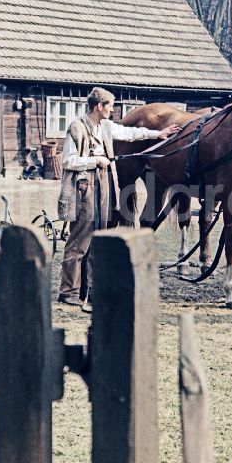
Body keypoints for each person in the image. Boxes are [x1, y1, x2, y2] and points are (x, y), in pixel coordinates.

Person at [57, 87, 179, 308]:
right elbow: (67, 160)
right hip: (83, 187)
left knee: (99, 238)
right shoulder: (77, 127)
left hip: (104, 186)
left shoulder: (105, 126)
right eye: (110, 106)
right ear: (98, 106)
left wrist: (157, 134)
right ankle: (68, 291)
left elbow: (131, 133)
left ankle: (93, 289)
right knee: (79, 240)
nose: (112, 110)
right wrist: (94, 161)